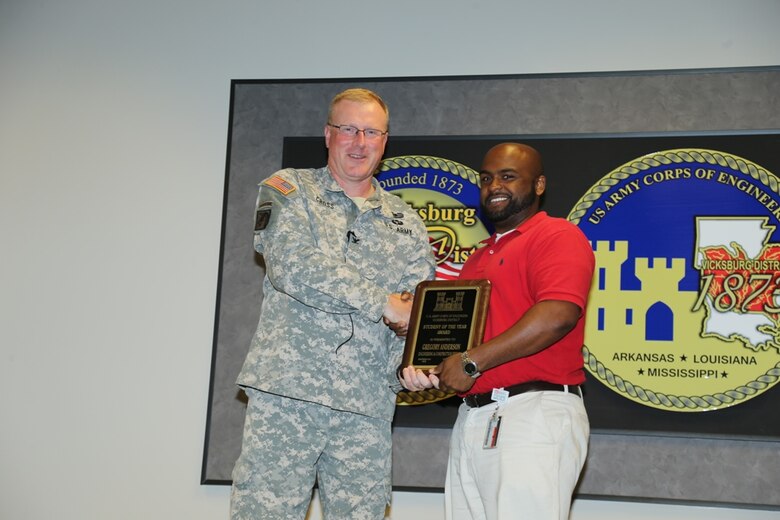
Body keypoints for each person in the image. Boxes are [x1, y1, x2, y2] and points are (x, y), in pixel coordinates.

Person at [230, 88, 436, 519]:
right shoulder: (288, 189)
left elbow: (416, 309)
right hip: (289, 396)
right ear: (328, 134)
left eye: (372, 132)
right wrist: (383, 303)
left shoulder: (406, 221)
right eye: (349, 129)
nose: (360, 143)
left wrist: (409, 364)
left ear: (385, 141)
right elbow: (293, 265)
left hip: (366, 407)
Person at [400, 142, 595, 520]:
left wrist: (471, 362)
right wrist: (428, 367)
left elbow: (558, 315)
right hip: (474, 415)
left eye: (508, 176)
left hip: (533, 414)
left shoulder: (557, 236)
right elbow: (458, 340)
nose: (494, 186)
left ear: (539, 185)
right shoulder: (478, 256)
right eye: (486, 178)